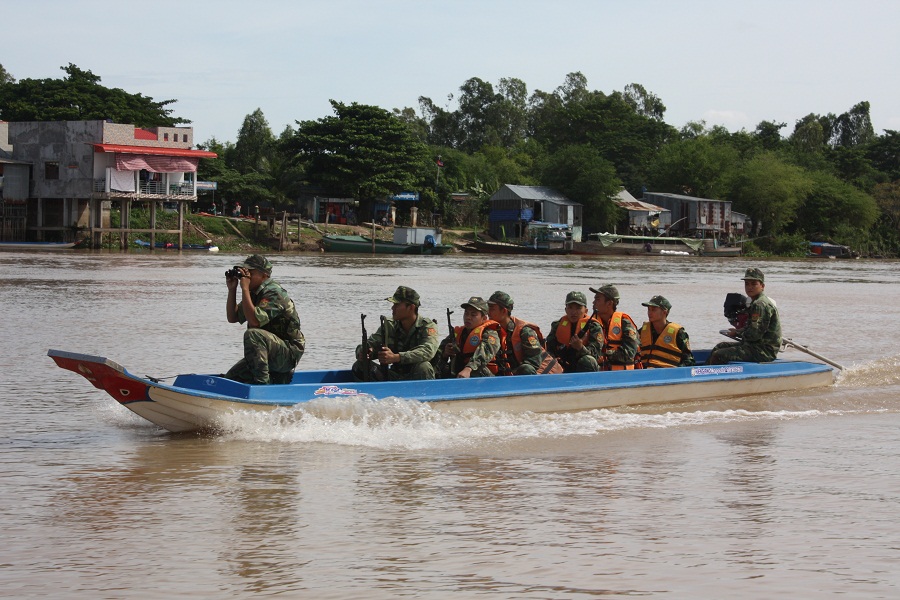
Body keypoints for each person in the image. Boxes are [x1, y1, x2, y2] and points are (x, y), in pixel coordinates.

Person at [225, 254, 305, 384]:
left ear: (264, 275)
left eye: (250, 273)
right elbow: (232, 317)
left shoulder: (274, 292)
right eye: (245, 273)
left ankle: (262, 386)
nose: (247, 277)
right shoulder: (254, 293)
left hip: (288, 353)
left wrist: (244, 288)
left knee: (253, 334)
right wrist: (232, 289)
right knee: (231, 380)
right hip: (267, 351)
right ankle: (274, 379)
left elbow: (254, 322)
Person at [353, 286, 439, 381]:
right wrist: (363, 352)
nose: (392, 308)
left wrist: (396, 357)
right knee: (360, 365)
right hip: (394, 375)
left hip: (416, 376)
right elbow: (370, 343)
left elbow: (428, 351)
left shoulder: (427, 326)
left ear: (411, 307)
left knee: (424, 367)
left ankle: (423, 394)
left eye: (397, 305)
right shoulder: (389, 325)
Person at [708, 268, 782, 364]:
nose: (749, 287)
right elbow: (751, 328)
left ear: (762, 286)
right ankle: (701, 372)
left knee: (719, 354)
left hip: (763, 351)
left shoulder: (760, 304)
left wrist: (737, 333)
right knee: (720, 346)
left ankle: (711, 377)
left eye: (754, 284)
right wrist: (737, 331)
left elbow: (754, 335)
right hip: (755, 346)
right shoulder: (755, 302)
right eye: (747, 284)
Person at [487, 291, 562, 375]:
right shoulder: (492, 330)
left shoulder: (525, 331)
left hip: (545, 376)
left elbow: (533, 362)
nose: (488, 312)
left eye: (492, 309)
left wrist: (512, 373)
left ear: (504, 311)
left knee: (526, 369)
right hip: (512, 375)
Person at [435, 296, 501, 378]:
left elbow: (484, 354)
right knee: (438, 368)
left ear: (484, 318)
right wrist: (445, 354)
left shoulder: (490, 334)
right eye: (466, 313)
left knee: (477, 370)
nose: (468, 317)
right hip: (459, 371)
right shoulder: (457, 333)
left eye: (473, 315)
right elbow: (438, 353)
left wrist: (469, 368)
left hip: (483, 375)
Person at [546, 291, 603, 372]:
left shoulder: (594, 327)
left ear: (586, 310)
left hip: (583, 366)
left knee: (588, 360)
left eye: (578, 308)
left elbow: (596, 355)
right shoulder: (557, 325)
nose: (573, 312)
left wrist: (580, 347)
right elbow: (549, 348)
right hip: (562, 364)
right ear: (566, 309)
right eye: (570, 307)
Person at [589, 284, 639, 370]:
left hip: (621, 374)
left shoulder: (625, 323)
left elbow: (629, 353)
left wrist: (605, 355)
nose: (593, 302)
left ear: (609, 303)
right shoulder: (591, 323)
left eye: (597, 299)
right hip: (599, 371)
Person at [638, 295, 695, 368]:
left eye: (654, 310)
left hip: (668, 375)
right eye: (649, 309)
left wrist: (676, 372)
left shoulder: (678, 333)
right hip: (644, 374)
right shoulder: (643, 331)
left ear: (664, 312)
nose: (650, 313)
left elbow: (689, 361)